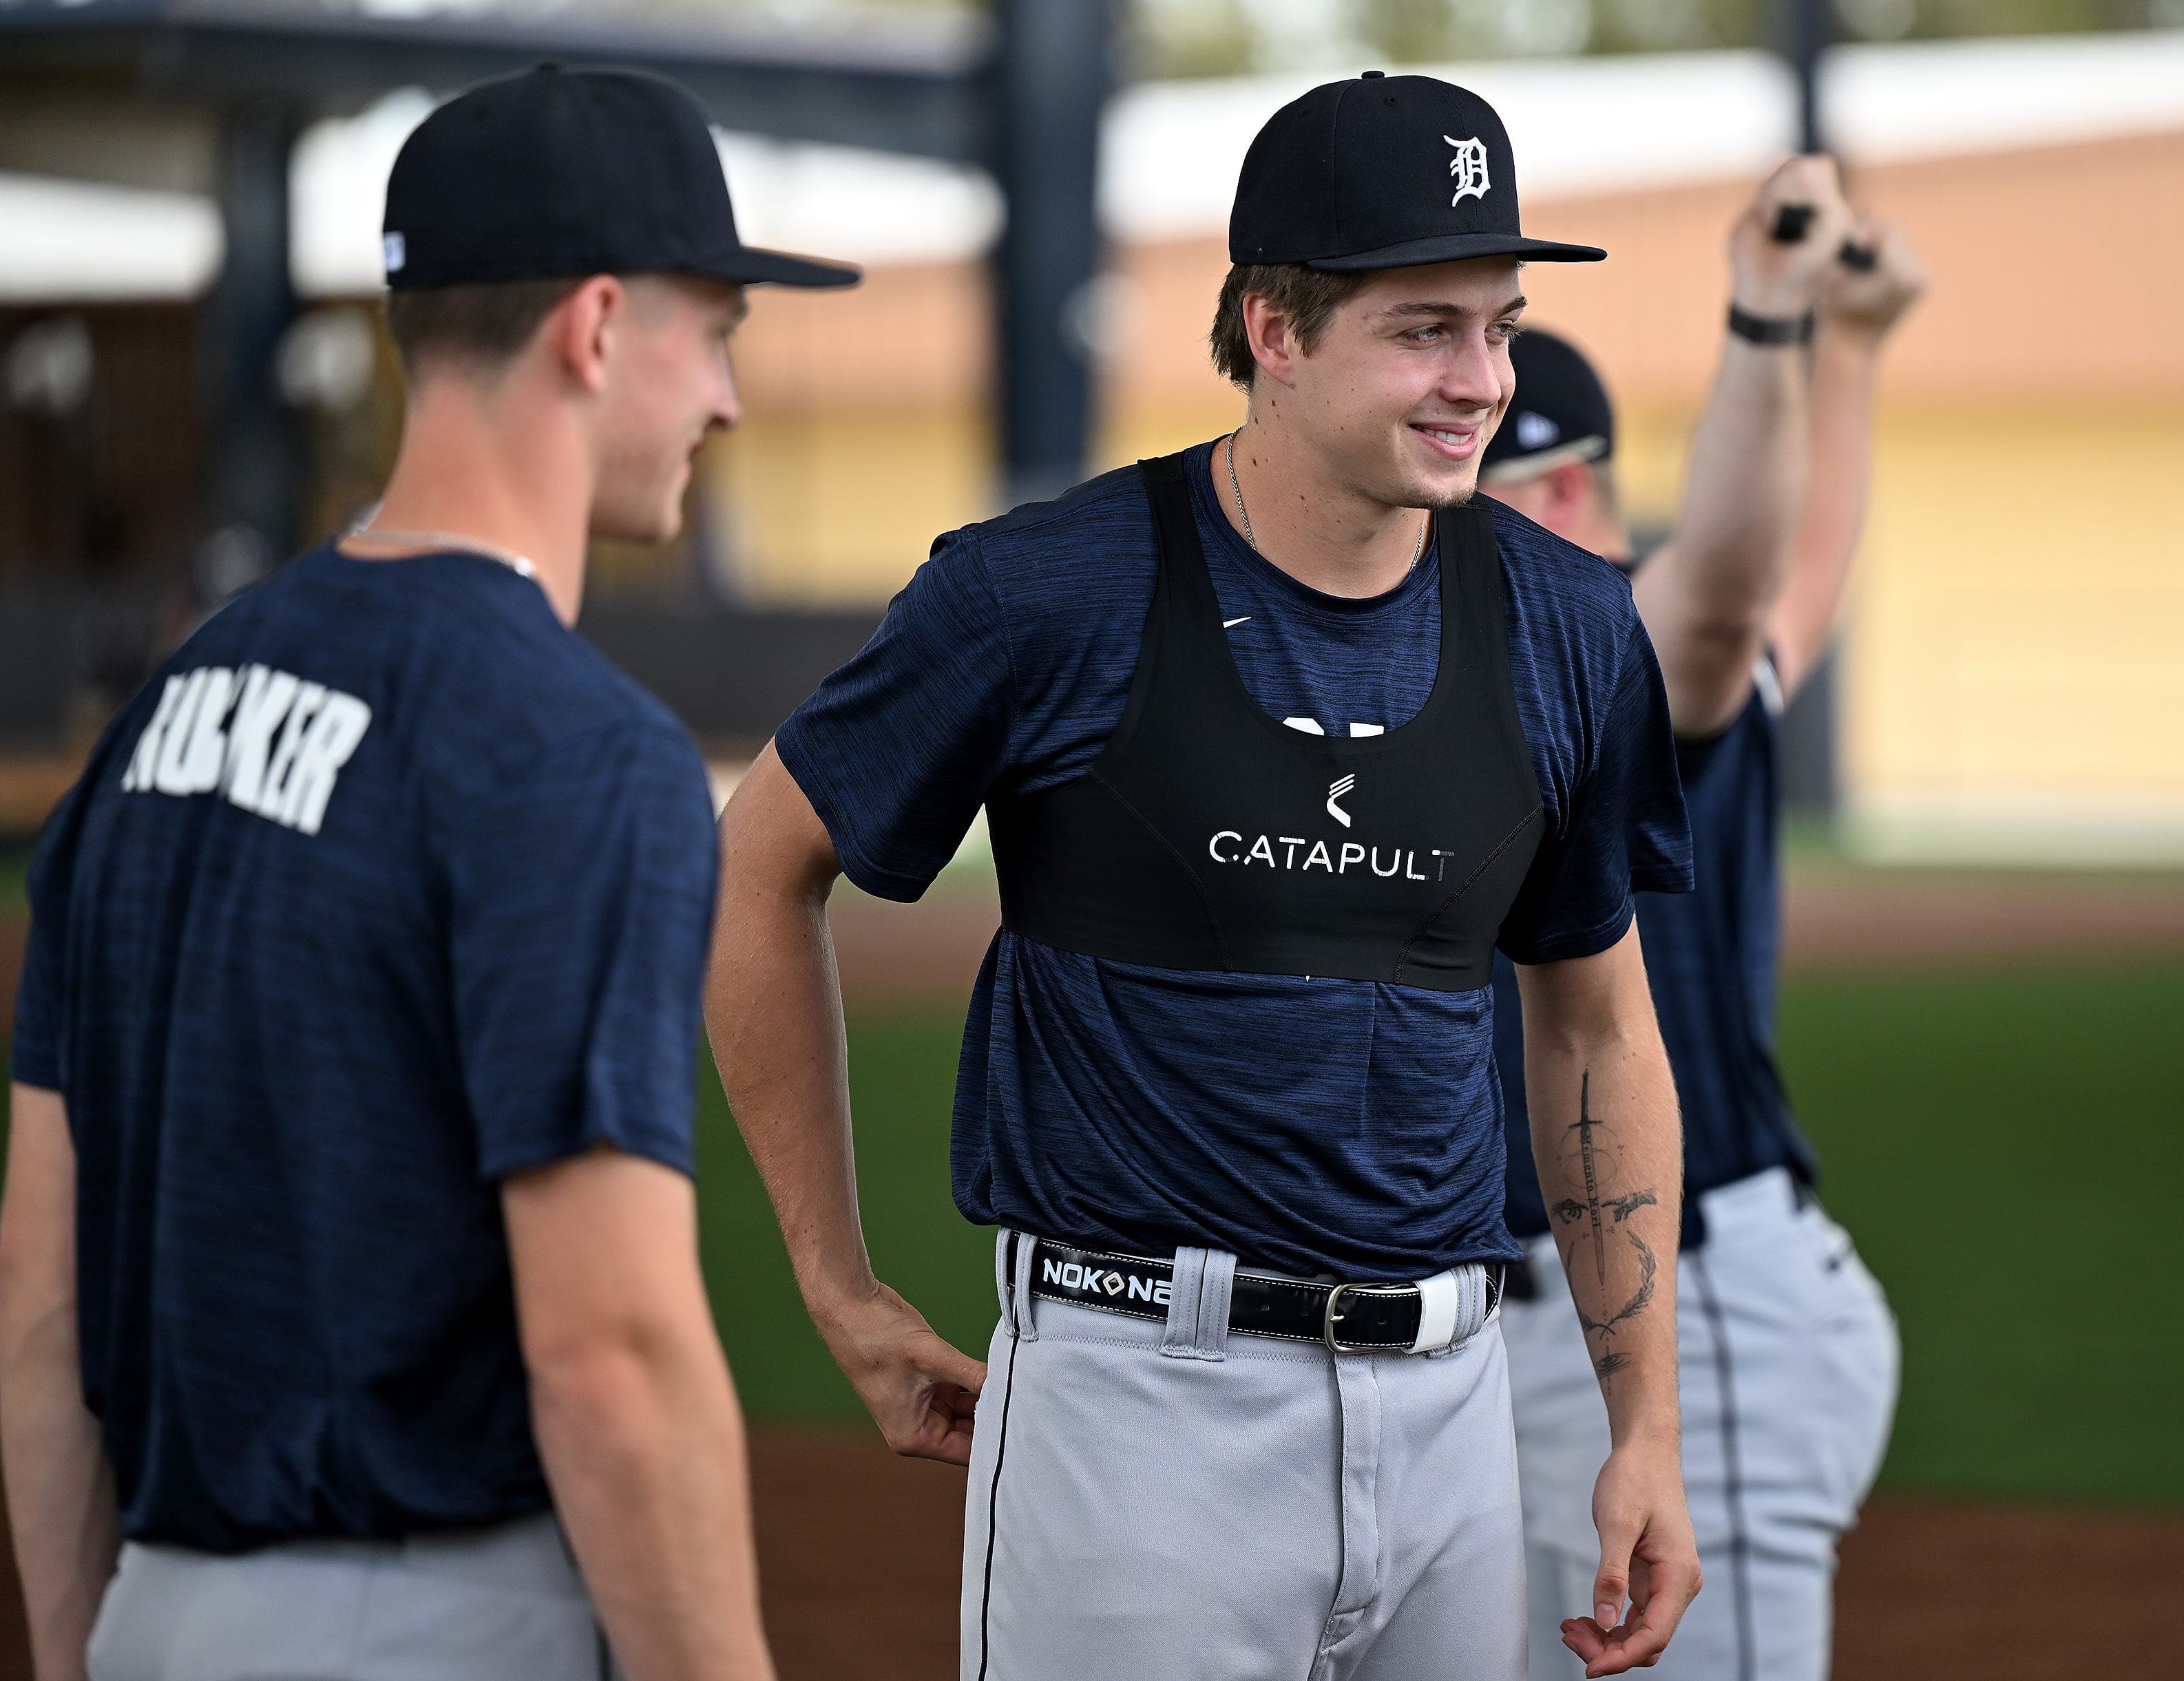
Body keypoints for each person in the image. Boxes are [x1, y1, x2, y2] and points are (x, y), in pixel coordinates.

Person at [708, 72, 1699, 1681]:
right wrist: (835, 1279)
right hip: (1134, 1418)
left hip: (1456, 1406)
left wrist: (1639, 1423)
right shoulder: (1041, 594)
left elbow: (1592, 1026)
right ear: (1274, 326)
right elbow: (759, 869)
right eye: (1423, 330)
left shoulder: (1569, 626)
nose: (1483, 384)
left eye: (1499, 325)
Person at [0, 64, 859, 1681]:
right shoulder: (570, 745)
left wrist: (80, 1649)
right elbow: (608, 1355)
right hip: (429, 1621)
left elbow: (39, 1298)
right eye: (719, 330)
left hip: (156, 1619)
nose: (727, 398)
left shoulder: (154, 725)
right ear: (598, 328)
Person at [1476, 171, 1929, 1681]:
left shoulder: (1619, 650)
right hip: (1551, 1322)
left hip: (1694, 1315)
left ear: (1547, 490)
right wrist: (1851, 350)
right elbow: (1803, 566)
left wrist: (1765, 318)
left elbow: (1731, 589)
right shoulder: (1502, 661)